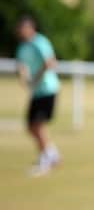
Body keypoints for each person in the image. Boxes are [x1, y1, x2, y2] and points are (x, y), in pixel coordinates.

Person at [15, 16, 61, 176]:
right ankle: (51, 153)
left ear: (30, 28)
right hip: (36, 92)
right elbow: (21, 66)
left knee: (38, 125)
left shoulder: (39, 42)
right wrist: (24, 78)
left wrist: (36, 77)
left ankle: (46, 158)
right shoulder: (22, 47)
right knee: (30, 126)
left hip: (48, 89)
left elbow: (51, 62)